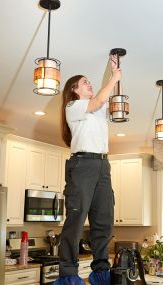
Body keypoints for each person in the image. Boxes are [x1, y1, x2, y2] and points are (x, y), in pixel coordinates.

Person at [53, 55, 121, 285]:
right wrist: (115, 79)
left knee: (104, 220)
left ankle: (102, 272)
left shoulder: (97, 109)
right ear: (73, 89)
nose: (89, 83)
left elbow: (102, 95)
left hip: (103, 165)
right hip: (82, 165)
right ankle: (68, 275)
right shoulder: (73, 106)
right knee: (76, 219)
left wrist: (112, 71)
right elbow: (99, 98)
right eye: (84, 82)